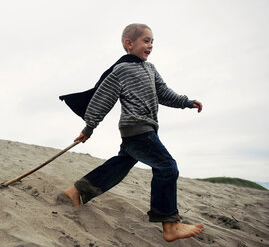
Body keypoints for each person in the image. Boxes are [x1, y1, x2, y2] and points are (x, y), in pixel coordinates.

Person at [63, 23, 204, 242]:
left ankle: (77, 190)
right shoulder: (122, 70)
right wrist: (88, 128)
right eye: (146, 41)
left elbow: (164, 94)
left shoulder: (150, 69)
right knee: (167, 167)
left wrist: (186, 102)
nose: (150, 46)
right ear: (129, 43)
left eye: (152, 42)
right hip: (137, 129)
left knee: (120, 165)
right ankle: (169, 225)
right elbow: (102, 100)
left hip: (143, 130)